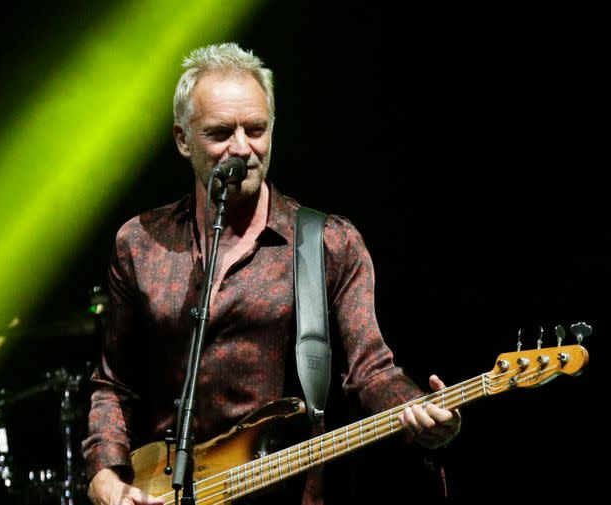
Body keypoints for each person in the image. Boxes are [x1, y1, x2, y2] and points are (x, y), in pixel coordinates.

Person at [82, 42, 461, 505]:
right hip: (166, 491)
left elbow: (370, 371)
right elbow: (114, 384)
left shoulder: (326, 244)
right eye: (220, 133)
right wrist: (104, 475)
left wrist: (416, 411)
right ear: (183, 139)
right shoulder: (140, 243)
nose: (242, 148)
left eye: (256, 129)